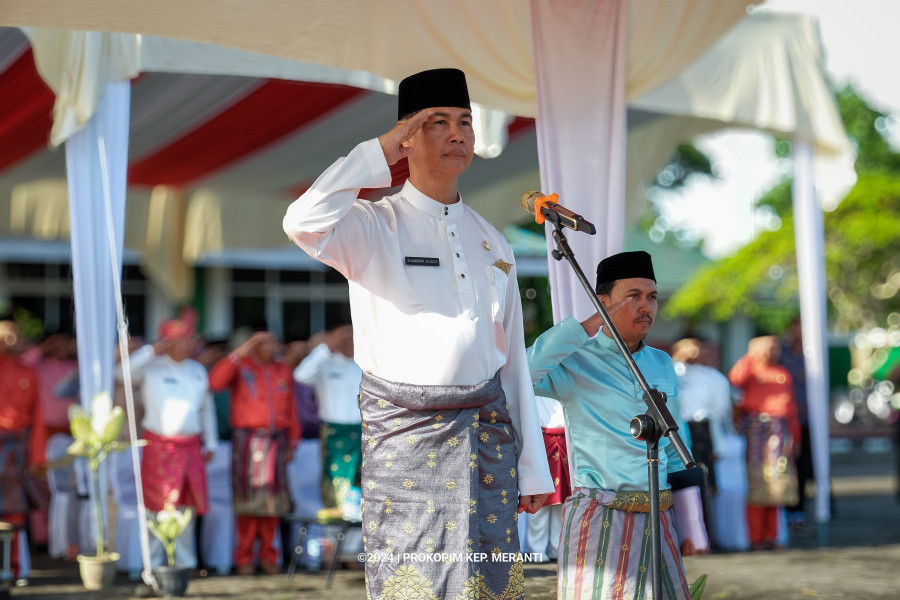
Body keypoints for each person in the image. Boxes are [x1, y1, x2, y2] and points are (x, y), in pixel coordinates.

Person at [283, 67, 553, 598]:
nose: (457, 134)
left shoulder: (492, 241)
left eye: (465, 122)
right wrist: (381, 150)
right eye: (438, 122)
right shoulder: (369, 225)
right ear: (406, 136)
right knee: (414, 586)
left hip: (486, 443)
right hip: (407, 446)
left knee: (487, 584)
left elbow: (512, 363)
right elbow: (302, 221)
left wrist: (534, 467)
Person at [527, 251, 693, 600]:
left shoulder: (661, 361)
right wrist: (587, 326)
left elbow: (677, 449)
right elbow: (522, 372)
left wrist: (694, 525)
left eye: (651, 297)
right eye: (633, 296)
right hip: (601, 514)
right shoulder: (575, 360)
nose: (645, 306)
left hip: (658, 513)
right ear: (603, 303)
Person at [120, 318, 218, 569]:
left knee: (186, 509)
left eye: (189, 338)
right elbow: (120, 373)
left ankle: (184, 565)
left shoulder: (197, 370)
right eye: (180, 339)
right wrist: (152, 350)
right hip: (159, 448)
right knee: (156, 508)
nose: (186, 344)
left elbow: (207, 409)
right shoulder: (152, 367)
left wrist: (211, 443)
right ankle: (152, 566)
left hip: (191, 448)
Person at [209, 328, 300, 575]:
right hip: (248, 442)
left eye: (273, 342)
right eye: (264, 343)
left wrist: (293, 441)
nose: (272, 347)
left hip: (276, 442)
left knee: (272, 504)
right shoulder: (242, 366)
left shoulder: (282, 369)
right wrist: (242, 350)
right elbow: (215, 383)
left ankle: (269, 556)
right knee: (248, 503)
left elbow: (291, 408)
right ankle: (245, 558)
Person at [729, 335, 800, 551]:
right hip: (755, 429)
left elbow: (791, 409)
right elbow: (734, 386)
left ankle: (773, 536)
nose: (774, 351)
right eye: (770, 347)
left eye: (777, 347)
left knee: (777, 482)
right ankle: (755, 537)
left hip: (779, 430)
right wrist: (752, 356)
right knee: (756, 482)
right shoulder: (748, 368)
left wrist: (796, 438)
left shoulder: (782, 373)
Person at [292, 325, 362, 514]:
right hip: (334, 434)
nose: (349, 341)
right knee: (334, 482)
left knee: (362, 485)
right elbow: (300, 376)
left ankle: (357, 541)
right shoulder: (326, 362)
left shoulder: (365, 363)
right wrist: (325, 348)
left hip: (364, 433)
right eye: (344, 337)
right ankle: (334, 538)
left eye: (352, 336)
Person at [0, 317, 44, 580]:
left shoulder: (29, 373)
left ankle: (14, 567)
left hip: (17, 446)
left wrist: (37, 456)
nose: (9, 341)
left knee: (15, 511)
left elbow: (37, 419)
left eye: (13, 335)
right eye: (4, 336)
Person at [524, 396, 569, 563]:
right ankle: (536, 550)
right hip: (542, 443)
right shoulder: (535, 387)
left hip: (565, 444)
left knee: (561, 502)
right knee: (539, 498)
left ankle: (555, 548)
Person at [779, 319, 813, 528]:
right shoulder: (783, 355)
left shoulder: (814, 355)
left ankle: (799, 508)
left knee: (805, 466)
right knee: (784, 464)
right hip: (785, 420)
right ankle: (786, 509)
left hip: (807, 420)